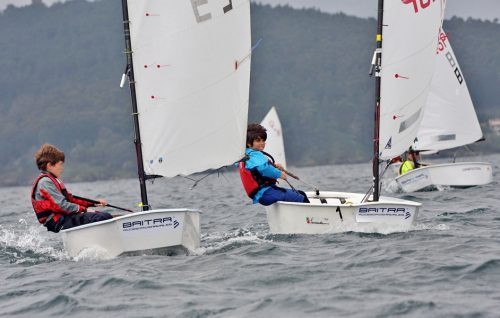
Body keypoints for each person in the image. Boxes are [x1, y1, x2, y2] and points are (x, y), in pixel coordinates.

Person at [31, 144, 113, 233]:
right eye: (60, 164)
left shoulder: (51, 180)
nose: (62, 168)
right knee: (103, 217)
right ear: (50, 165)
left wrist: (94, 203)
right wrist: (84, 209)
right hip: (58, 221)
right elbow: (60, 205)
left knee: (103, 215)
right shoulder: (45, 182)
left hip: (63, 217)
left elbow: (70, 199)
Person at [239, 123, 308, 206]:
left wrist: (274, 166)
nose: (262, 143)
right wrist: (279, 174)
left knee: (301, 193)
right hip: (265, 193)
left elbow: (258, 167)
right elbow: (264, 169)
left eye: (263, 140)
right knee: (300, 198)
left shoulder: (246, 156)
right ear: (249, 143)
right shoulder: (254, 155)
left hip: (264, 193)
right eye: (258, 140)